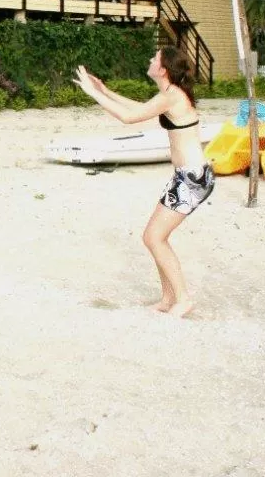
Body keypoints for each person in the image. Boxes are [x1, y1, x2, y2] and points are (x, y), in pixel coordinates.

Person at [74, 46, 213, 316]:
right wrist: (105, 91)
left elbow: (129, 118)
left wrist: (92, 93)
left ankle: (182, 299)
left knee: (153, 237)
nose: (150, 60)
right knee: (155, 237)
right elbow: (140, 108)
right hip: (188, 176)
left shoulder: (172, 96)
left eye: (155, 58)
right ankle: (168, 299)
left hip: (192, 178)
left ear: (163, 69)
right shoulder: (169, 94)